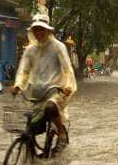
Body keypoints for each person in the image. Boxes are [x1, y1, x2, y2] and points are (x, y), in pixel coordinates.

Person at [11, 13, 76, 153]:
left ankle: (61, 132)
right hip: (36, 93)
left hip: (56, 92)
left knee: (50, 108)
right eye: (36, 29)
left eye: (41, 29)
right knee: (30, 125)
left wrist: (68, 86)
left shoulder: (58, 47)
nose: (39, 32)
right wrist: (17, 85)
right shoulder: (30, 50)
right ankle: (30, 154)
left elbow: (67, 69)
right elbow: (24, 70)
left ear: (48, 31)